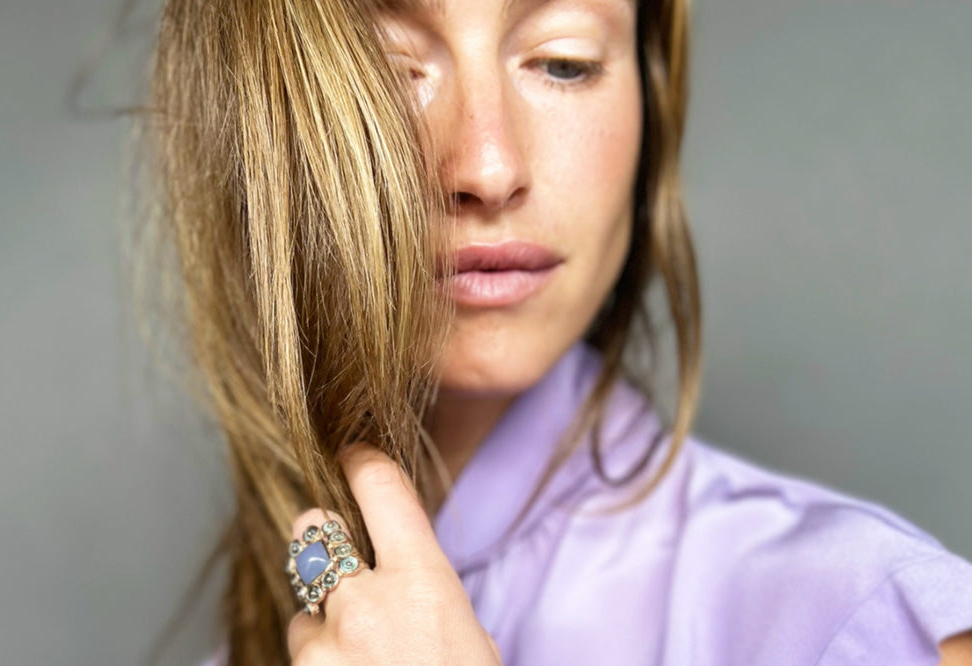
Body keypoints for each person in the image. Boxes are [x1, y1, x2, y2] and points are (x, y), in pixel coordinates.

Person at [138, 0, 972, 663]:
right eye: (386, 71)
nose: (488, 166)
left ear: (650, 99)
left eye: (564, 62)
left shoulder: (859, 620)